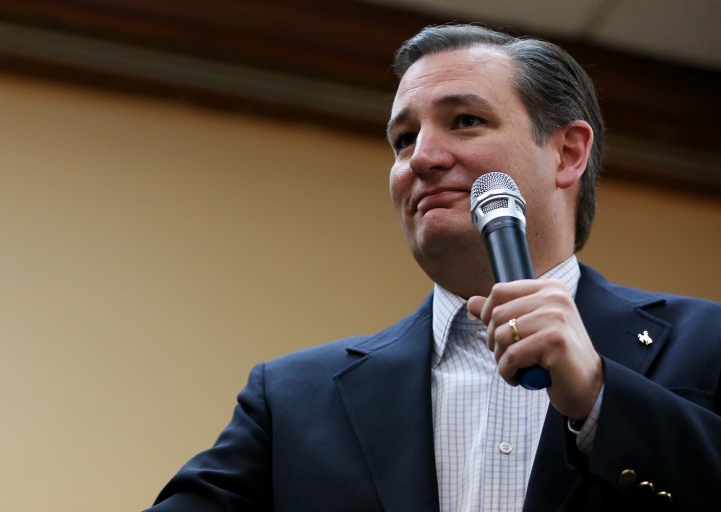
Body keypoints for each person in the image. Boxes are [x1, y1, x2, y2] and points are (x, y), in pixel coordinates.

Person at [144, 24, 721, 511]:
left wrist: (601, 399)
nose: (420, 157)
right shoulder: (292, 401)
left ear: (567, 152)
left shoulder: (707, 344)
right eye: (402, 138)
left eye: (465, 120)